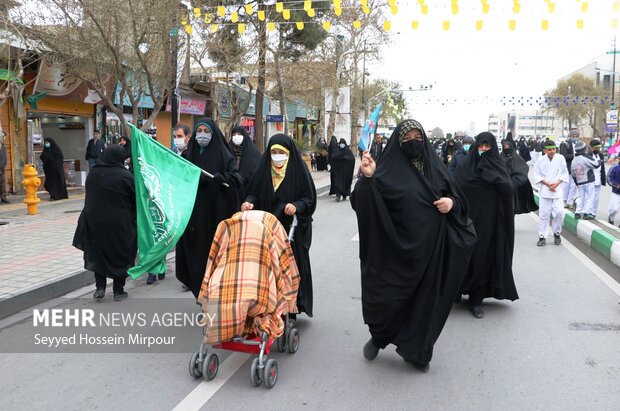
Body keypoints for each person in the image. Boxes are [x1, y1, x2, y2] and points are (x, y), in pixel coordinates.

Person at [351, 119, 476, 372]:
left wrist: (451, 204)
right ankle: (380, 337)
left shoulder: (436, 168)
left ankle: (418, 352)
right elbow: (361, 201)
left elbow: (457, 198)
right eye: (407, 138)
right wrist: (368, 179)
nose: (413, 142)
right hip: (393, 250)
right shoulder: (383, 169)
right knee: (389, 299)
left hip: (430, 251)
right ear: (398, 141)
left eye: (418, 137)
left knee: (426, 303)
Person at [241, 134, 317, 318]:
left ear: (289, 153)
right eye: (273, 152)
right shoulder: (263, 171)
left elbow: (309, 199)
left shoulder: (299, 172)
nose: (277, 156)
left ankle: (292, 306)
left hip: (291, 229)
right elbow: (254, 193)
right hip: (266, 228)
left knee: (291, 266)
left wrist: (296, 206)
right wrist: (248, 202)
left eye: (281, 152)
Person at [175, 118, 241, 297]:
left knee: (216, 259)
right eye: (199, 131)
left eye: (206, 131)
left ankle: (215, 297)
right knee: (196, 259)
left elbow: (236, 179)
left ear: (213, 134)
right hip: (194, 218)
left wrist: (223, 179)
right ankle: (201, 297)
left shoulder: (224, 154)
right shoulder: (189, 155)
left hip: (216, 215)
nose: (202, 135)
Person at [455, 132, 518, 319]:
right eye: (480, 146)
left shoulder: (498, 167)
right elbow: (455, 187)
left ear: (493, 148)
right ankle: (454, 292)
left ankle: (476, 300)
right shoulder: (465, 166)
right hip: (466, 222)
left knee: (483, 258)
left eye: (487, 146)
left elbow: (508, 189)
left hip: (490, 224)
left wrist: (491, 175)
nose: (483, 149)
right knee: (462, 256)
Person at [72, 145, 136, 301]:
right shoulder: (125, 176)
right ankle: (118, 291)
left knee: (98, 254)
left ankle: (100, 288)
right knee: (120, 255)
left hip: (95, 222)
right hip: (119, 224)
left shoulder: (93, 173)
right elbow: (135, 200)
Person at [533, 139, 569, 246]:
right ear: (545, 150)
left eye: (553, 149)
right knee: (544, 215)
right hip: (545, 190)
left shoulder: (560, 158)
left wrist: (556, 184)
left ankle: (557, 233)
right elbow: (537, 175)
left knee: (558, 212)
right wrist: (549, 185)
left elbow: (564, 173)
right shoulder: (540, 160)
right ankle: (542, 236)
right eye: (549, 150)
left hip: (557, 190)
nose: (552, 151)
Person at [500, 139, 538, 214]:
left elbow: (523, 170)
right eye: (505, 147)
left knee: (511, 210)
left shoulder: (517, 158)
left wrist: (514, 181)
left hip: (514, 188)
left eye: (508, 147)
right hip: (502, 187)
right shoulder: (499, 157)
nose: (507, 148)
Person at [570, 141, 602, 220]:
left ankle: (577, 212)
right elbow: (596, 165)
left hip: (580, 182)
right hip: (589, 181)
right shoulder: (585, 157)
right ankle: (586, 213)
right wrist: (600, 161)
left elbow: (573, 173)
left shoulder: (574, 160)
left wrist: (577, 182)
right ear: (584, 149)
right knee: (590, 197)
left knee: (581, 197)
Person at [229, 126, 261, 201]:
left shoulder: (253, 152)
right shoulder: (227, 150)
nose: (236, 136)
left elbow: (256, 174)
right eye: (234, 135)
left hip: (248, 194)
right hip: (231, 193)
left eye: (239, 134)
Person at [560, 129, 579, 208]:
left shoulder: (579, 144)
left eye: (576, 136)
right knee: (566, 185)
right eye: (573, 136)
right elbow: (563, 155)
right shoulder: (565, 144)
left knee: (574, 186)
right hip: (568, 167)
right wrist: (573, 156)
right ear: (570, 136)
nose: (575, 138)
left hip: (577, 168)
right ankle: (564, 200)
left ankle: (570, 201)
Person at [589, 139, 606, 218]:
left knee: (596, 198)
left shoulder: (601, 155)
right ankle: (588, 211)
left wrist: (603, 180)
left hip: (598, 179)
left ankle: (593, 213)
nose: (597, 150)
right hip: (590, 180)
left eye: (598, 148)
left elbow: (602, 168)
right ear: (591, 147)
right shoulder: (588, 155)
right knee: (589, 197)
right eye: (596, 148)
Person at [607, 156, 620, 226]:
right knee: (614, 209)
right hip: (616, 192)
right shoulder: (615, 167)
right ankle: (611, 218)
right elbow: (609, 178)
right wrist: (615, 185)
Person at [0, 131, 9, 203]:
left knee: (2, 183)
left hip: (2, 168)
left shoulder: (2, 145)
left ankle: (3, 197)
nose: (4, 138)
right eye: (3, 136)